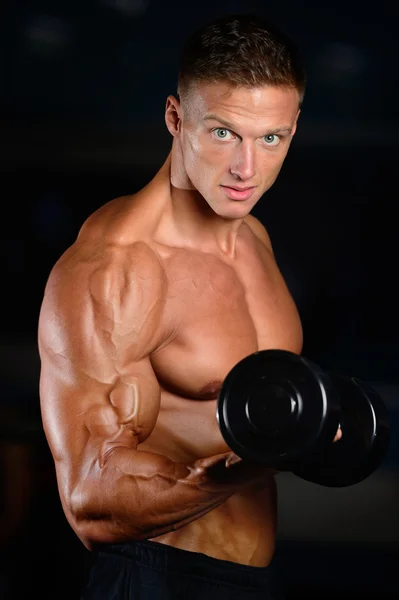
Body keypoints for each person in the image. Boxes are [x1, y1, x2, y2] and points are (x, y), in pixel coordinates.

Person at [38, 13, 340, 599]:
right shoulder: (118, 268)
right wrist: (250, 464)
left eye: (270, 138)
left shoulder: (252, 237)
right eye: (224, 133)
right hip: (155, 578)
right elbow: (89, 500)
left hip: (251, 579)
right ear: (176, 118)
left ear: (294, 128)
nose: (246, 170)